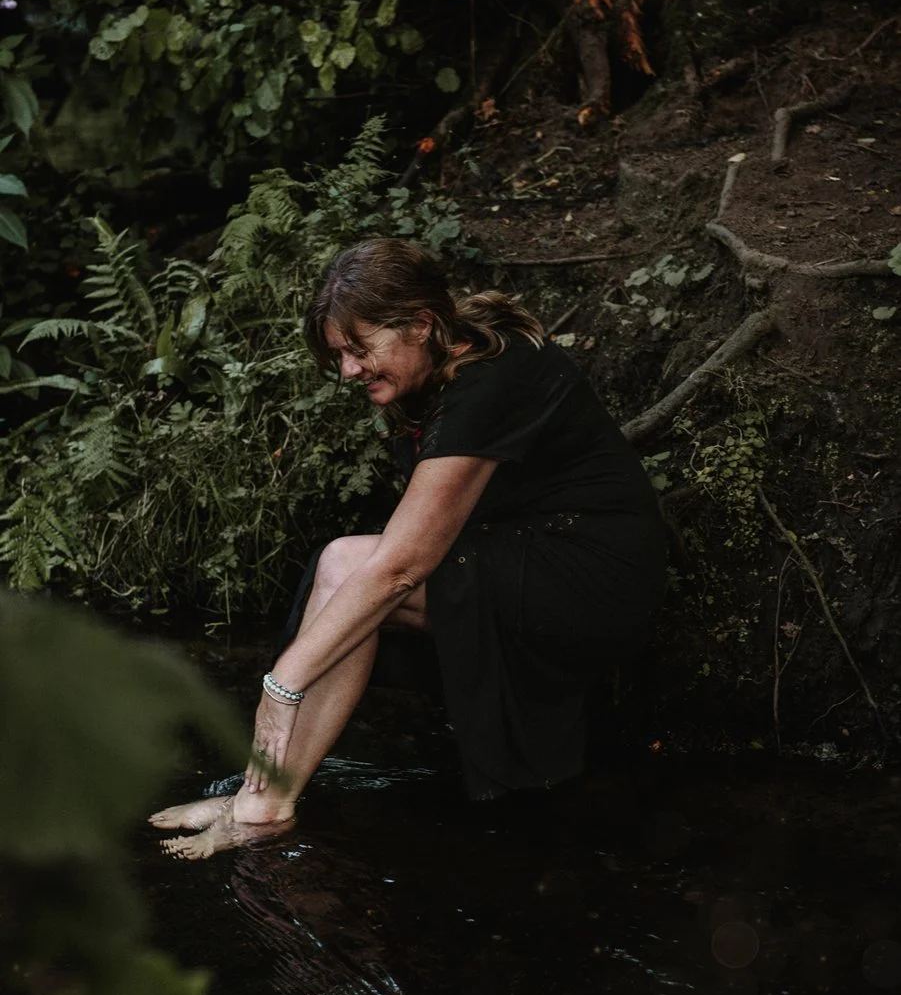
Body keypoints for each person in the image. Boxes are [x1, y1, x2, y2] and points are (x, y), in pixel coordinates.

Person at [151, 239, 667, 858]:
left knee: (352, 568)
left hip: (594, 580)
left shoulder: (493, 381)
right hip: (524, 552)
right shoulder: (434, 369)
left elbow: (403, 567)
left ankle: (263, 802)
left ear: (421, 324)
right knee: (344, 569)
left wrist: (280, 684)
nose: (347, 371)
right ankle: (262, 797)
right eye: (340, 355)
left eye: (359, 349)